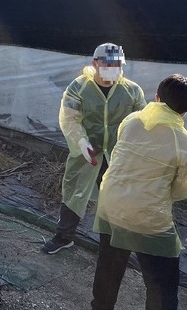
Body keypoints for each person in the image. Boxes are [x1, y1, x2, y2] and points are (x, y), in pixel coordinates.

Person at [90, 74, 187, 310]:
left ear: (156, 97)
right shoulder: (182, 141)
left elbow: (120, 158)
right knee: (162, 283)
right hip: (148, 216)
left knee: (109, 266)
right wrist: (159, 196)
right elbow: (181, 188)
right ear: (184, 111)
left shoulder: (132, 120)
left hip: (111, 203)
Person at [42, 43, 146, 254]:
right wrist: (82, 142)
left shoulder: (132, 90)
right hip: (87, 152)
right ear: (95, 63)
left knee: (117, 198)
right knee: (74, 192)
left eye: (118, 64)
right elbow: (69, 119)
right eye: (108, 64)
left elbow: (141, 121)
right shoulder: (79, 87)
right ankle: (64, 236)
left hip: (118, 155)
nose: (113, 68)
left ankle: (115, 243)